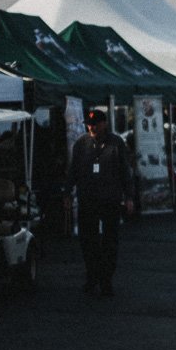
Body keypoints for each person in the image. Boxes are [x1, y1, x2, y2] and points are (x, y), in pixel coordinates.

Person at [69, 109, 135, 297]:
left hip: (109, 200)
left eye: (95, 124)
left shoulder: (116, 143)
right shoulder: (82, 144)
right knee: (87, 240)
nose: (92, 127)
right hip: (87, 199)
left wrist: (129, 197)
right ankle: (92, 276)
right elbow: (73, 169)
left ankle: (106, 280)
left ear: (104, 124)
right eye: (89, 124)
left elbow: (125, 171)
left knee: (109, 242)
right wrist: (67, 191)